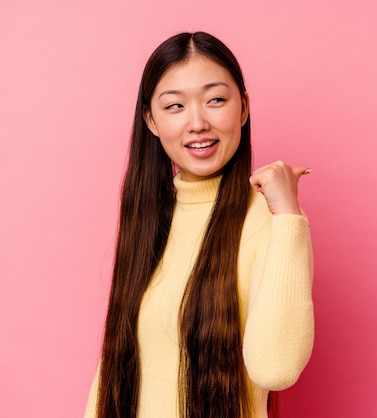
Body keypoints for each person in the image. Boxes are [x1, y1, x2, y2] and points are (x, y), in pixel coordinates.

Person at [84, 31, 314, 418]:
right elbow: (112, 373)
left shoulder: (271, 220)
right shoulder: (150, 220)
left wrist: (289, 216)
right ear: (151, 121)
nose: (197, 123)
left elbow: (276, 368)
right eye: (174, 106)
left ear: (243, 108)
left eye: (216, 100)